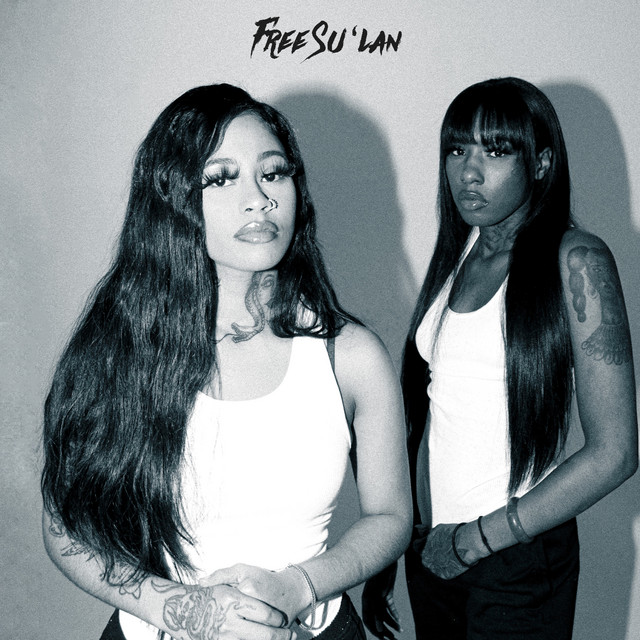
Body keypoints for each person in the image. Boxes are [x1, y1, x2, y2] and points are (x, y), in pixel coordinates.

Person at [41, 83, 412, 640]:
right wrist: (183, 608)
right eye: (221, 178)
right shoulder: (117, 351)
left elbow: (391, 517)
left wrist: (297, 587)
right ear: (172, 198)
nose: (258, 198)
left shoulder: (350, 355)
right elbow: (64, 528)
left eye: (274, 172)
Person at [363, 77, 637, 640]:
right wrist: (397, 540)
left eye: (495, 150)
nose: (469, 171)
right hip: (435, 552)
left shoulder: (577, 259)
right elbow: (432, 413)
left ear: (541, 163)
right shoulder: (464, 247)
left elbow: (616, 452)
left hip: (512, 557)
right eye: (457, 149)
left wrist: (482, 538)